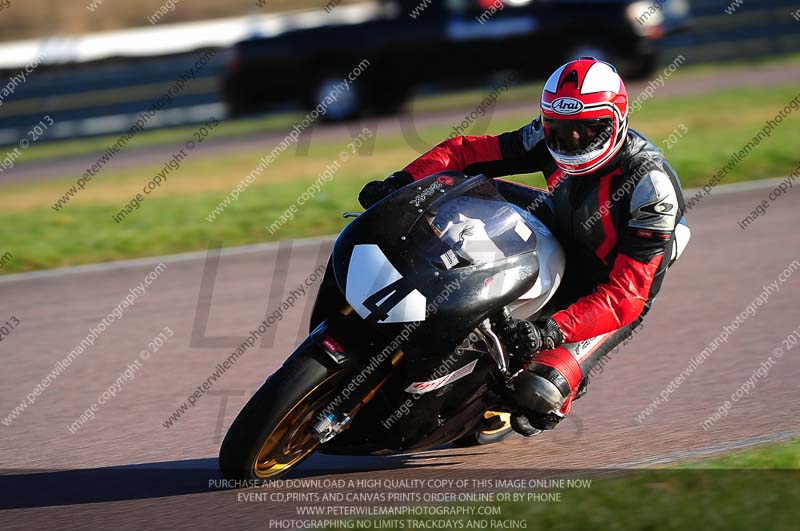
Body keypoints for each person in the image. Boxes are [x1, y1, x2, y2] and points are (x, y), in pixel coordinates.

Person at [358, 58, 691, 436]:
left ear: (618, 121)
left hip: (606, 290)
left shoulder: (651, 187)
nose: (573, 141)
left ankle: (557, 390)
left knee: (537, 393)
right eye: (561, 131)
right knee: (459, 196)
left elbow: (626, 295)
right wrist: (401, 183)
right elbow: (466, 153)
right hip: (557, 230)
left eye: (588, 130)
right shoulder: (547, 135)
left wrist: (551, 332)